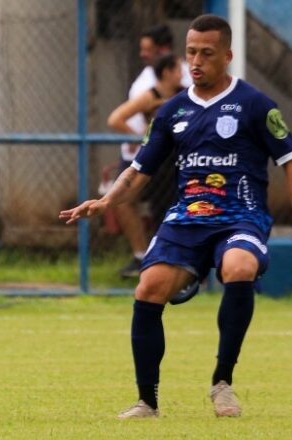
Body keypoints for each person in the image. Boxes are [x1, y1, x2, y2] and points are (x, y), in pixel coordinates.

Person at [60, 15, 292, 418]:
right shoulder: (172, 111)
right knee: (148, 288)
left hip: (240, 216)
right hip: (186, 218)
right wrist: (107, 201)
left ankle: (222, 383)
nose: (196, 62)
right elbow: (139, 171)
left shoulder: (254, 105)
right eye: (191, 53)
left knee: (238, 266)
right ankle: (147, 402)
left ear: (228, 56)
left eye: (206, 54)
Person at [114, 25, 192, 278]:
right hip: (141, 158)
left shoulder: (185, 84)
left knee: (169, 209)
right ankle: (143, 257)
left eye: (148, 49)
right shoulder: (150, 87)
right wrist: (143, 140)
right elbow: (117, 118)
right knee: (123, 200)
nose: (143, 54)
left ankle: (173, 263)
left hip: (170, 161)